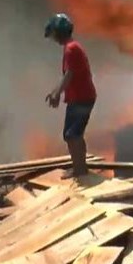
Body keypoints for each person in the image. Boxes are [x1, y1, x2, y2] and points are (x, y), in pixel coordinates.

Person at [44, 12, 96, 179]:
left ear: (58, 32)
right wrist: (55, 92)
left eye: (53, 34)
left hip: (82, 98)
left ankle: (80, 170)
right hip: (80, 98)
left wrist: (57, 94)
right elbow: (67, 75)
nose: (53, 38)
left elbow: (69, 75)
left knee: (72, 135)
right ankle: (79, 168)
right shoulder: (72, 47)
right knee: (72, 134)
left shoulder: (71, 49)